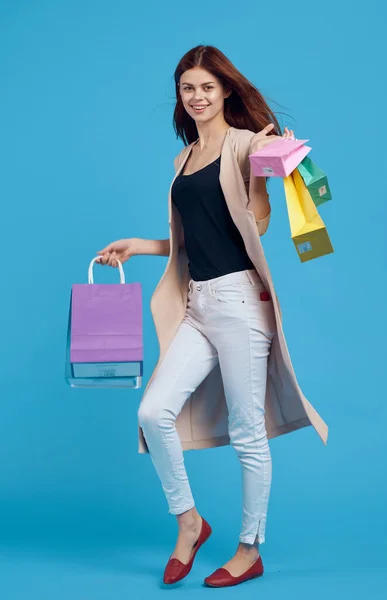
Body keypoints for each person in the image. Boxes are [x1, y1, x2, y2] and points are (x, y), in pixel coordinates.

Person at [96, 45, 328, 588]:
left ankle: (249, 549)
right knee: (154, 413)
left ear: (225, 90)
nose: (198, 97)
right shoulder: (181, 162)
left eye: (207, 87)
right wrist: (140, 245)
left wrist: (267, 169)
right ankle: (190, 522)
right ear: (180, 96)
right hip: (198, 303)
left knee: (249, 433)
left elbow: (257, 226)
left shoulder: (247, 144)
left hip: (239, 303)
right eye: (187, 88)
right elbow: (190, 241)